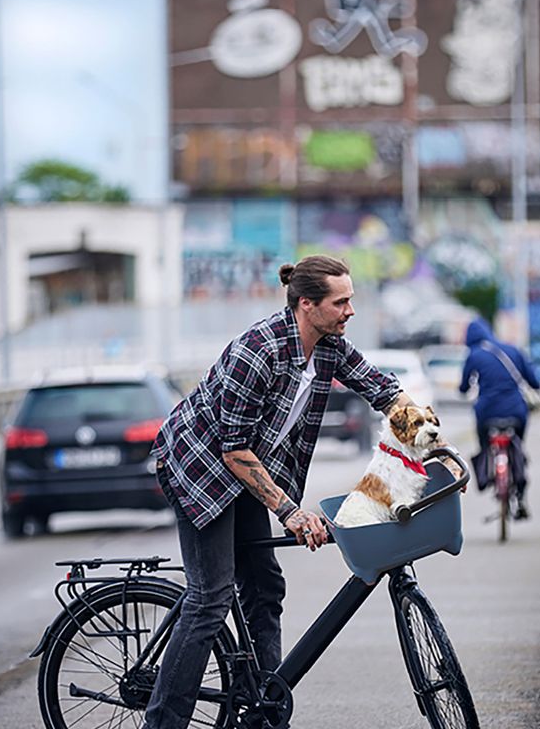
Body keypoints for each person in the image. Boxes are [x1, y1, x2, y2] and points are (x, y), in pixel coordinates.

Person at [144, 255, 420, 729]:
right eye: (342, 302)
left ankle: (261, 708)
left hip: (244, 467)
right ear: (307, 305)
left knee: (265, 587)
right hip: (201, 468)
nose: (351, 310)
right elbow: (233, 450)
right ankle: (163, 723)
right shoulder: (258, 351)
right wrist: (290, 512)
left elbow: (382, 390)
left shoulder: (330, 346)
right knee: (210, 596)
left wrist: (429, 437)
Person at [458, 317, 540, 519]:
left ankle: (487, 466)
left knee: (484, 441)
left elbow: (464, 387)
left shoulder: (474, 355)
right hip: (516, 410)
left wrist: (466, 389)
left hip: (487, 412)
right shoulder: (513, 350)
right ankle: (518, 471)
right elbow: (534, 381)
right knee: (518, 443)